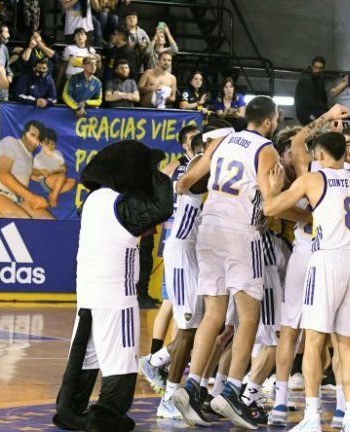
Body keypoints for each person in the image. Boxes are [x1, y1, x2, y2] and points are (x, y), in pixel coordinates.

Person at [172, 96, 304, 429]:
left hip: (209, 226)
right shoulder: (266, 149)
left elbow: (184, 183)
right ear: (270, 121)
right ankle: (231, 391)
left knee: (213, 314)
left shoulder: (221, 141)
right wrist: (300, 207)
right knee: (249, 316)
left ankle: (192, 385)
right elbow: (271, 205)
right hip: (241, 232)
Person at [52, 140, 173, 432]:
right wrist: (158, 175)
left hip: (88, 291)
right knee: (121, 358)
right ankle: (106, 415)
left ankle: (69, 409)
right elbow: (162, 207)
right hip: (117, 293)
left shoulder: (93, 199)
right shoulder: (122, 203)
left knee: (85, 353)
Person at [263, 129, 350, 432]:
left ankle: (311, 417)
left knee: (313, 341)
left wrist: (273, 188)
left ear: (321, 154)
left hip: (327, 260)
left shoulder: (314, 178)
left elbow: (270, 208)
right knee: (347, 346)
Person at [138, 130, 211, 419]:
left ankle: (154, 361)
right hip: (181, 251)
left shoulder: (193, 167)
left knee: (197, 325)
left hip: (192, 250)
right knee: (188, 328)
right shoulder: (197, 169)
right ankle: (168, 398)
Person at [0, 120, 51, 219]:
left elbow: (22, 172)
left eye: (38, 138)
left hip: (18, 200)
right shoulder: (11, 142)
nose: (34, 141)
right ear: (24, 133)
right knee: (22, 219)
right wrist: (30, 197)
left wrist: (40, 173)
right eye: (32, 135)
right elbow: (2, 174)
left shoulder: (29, 157)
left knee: (48, 221)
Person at [32, 128, 76, 208]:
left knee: (72, 182)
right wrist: (41, 175)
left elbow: (64, 168)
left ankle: (53, 193)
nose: (50, 147)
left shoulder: (57, 153)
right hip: (46, 181)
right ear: (41, 143)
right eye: (47, 144)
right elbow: (33, 173)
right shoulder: (38, 157)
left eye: (53, 144)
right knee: (62, 177)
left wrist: (59, 170)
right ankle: (53, 198)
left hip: (58, 179)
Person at [295, 56, 329, 124]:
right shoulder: (306, 80)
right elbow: (309, 103)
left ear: (323, 68)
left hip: (315, 110)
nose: (317, 70)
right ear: (312, 66)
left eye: (320, 68)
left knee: (331, 116)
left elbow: (323, 97)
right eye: (316, 67)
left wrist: (328, 109)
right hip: (305, 113)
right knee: (329, 118)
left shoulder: (320, 79)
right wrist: (327, 108)